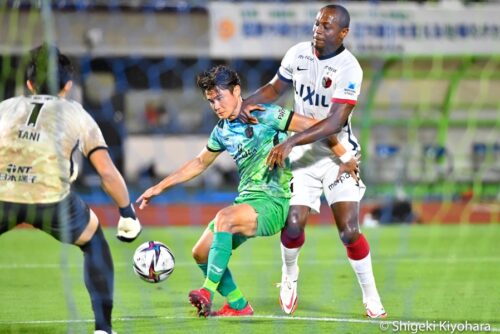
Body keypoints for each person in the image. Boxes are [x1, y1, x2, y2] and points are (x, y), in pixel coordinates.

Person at [137, 65, 353, 317]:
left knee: (224, 219)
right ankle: (239, 304)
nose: (216, 105)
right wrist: (158, 187)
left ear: (236, 91)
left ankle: (206, 291)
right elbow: (198, 163)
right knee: (200, 253)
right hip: (248, 201)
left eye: (219, 97)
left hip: (274, 203)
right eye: (210, 101)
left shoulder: (268, 114)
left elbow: (320, 126)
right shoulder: (222, 131)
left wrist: (346, 157)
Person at [241, 4, 386, 318]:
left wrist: (290, 139)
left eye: (327, 26)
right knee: (292, 225)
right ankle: (289, 276)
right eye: (317, 23)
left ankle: (371, 296)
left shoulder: (350, 68)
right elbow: (273, 89)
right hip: (303, 156)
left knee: (348, 231)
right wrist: (243, 104)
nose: (318, 29)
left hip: (338, 156)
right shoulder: (297, 54)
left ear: (343, 33)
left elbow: (334, 123)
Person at [0, 44, 142, 334]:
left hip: (2, 193)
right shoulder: (76, 113)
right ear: (67, 85)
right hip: (51, 198)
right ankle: (103, 328)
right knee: (94, 242)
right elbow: (106, 171)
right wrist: (127, 212)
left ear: (28, 84)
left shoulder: (5, 108)